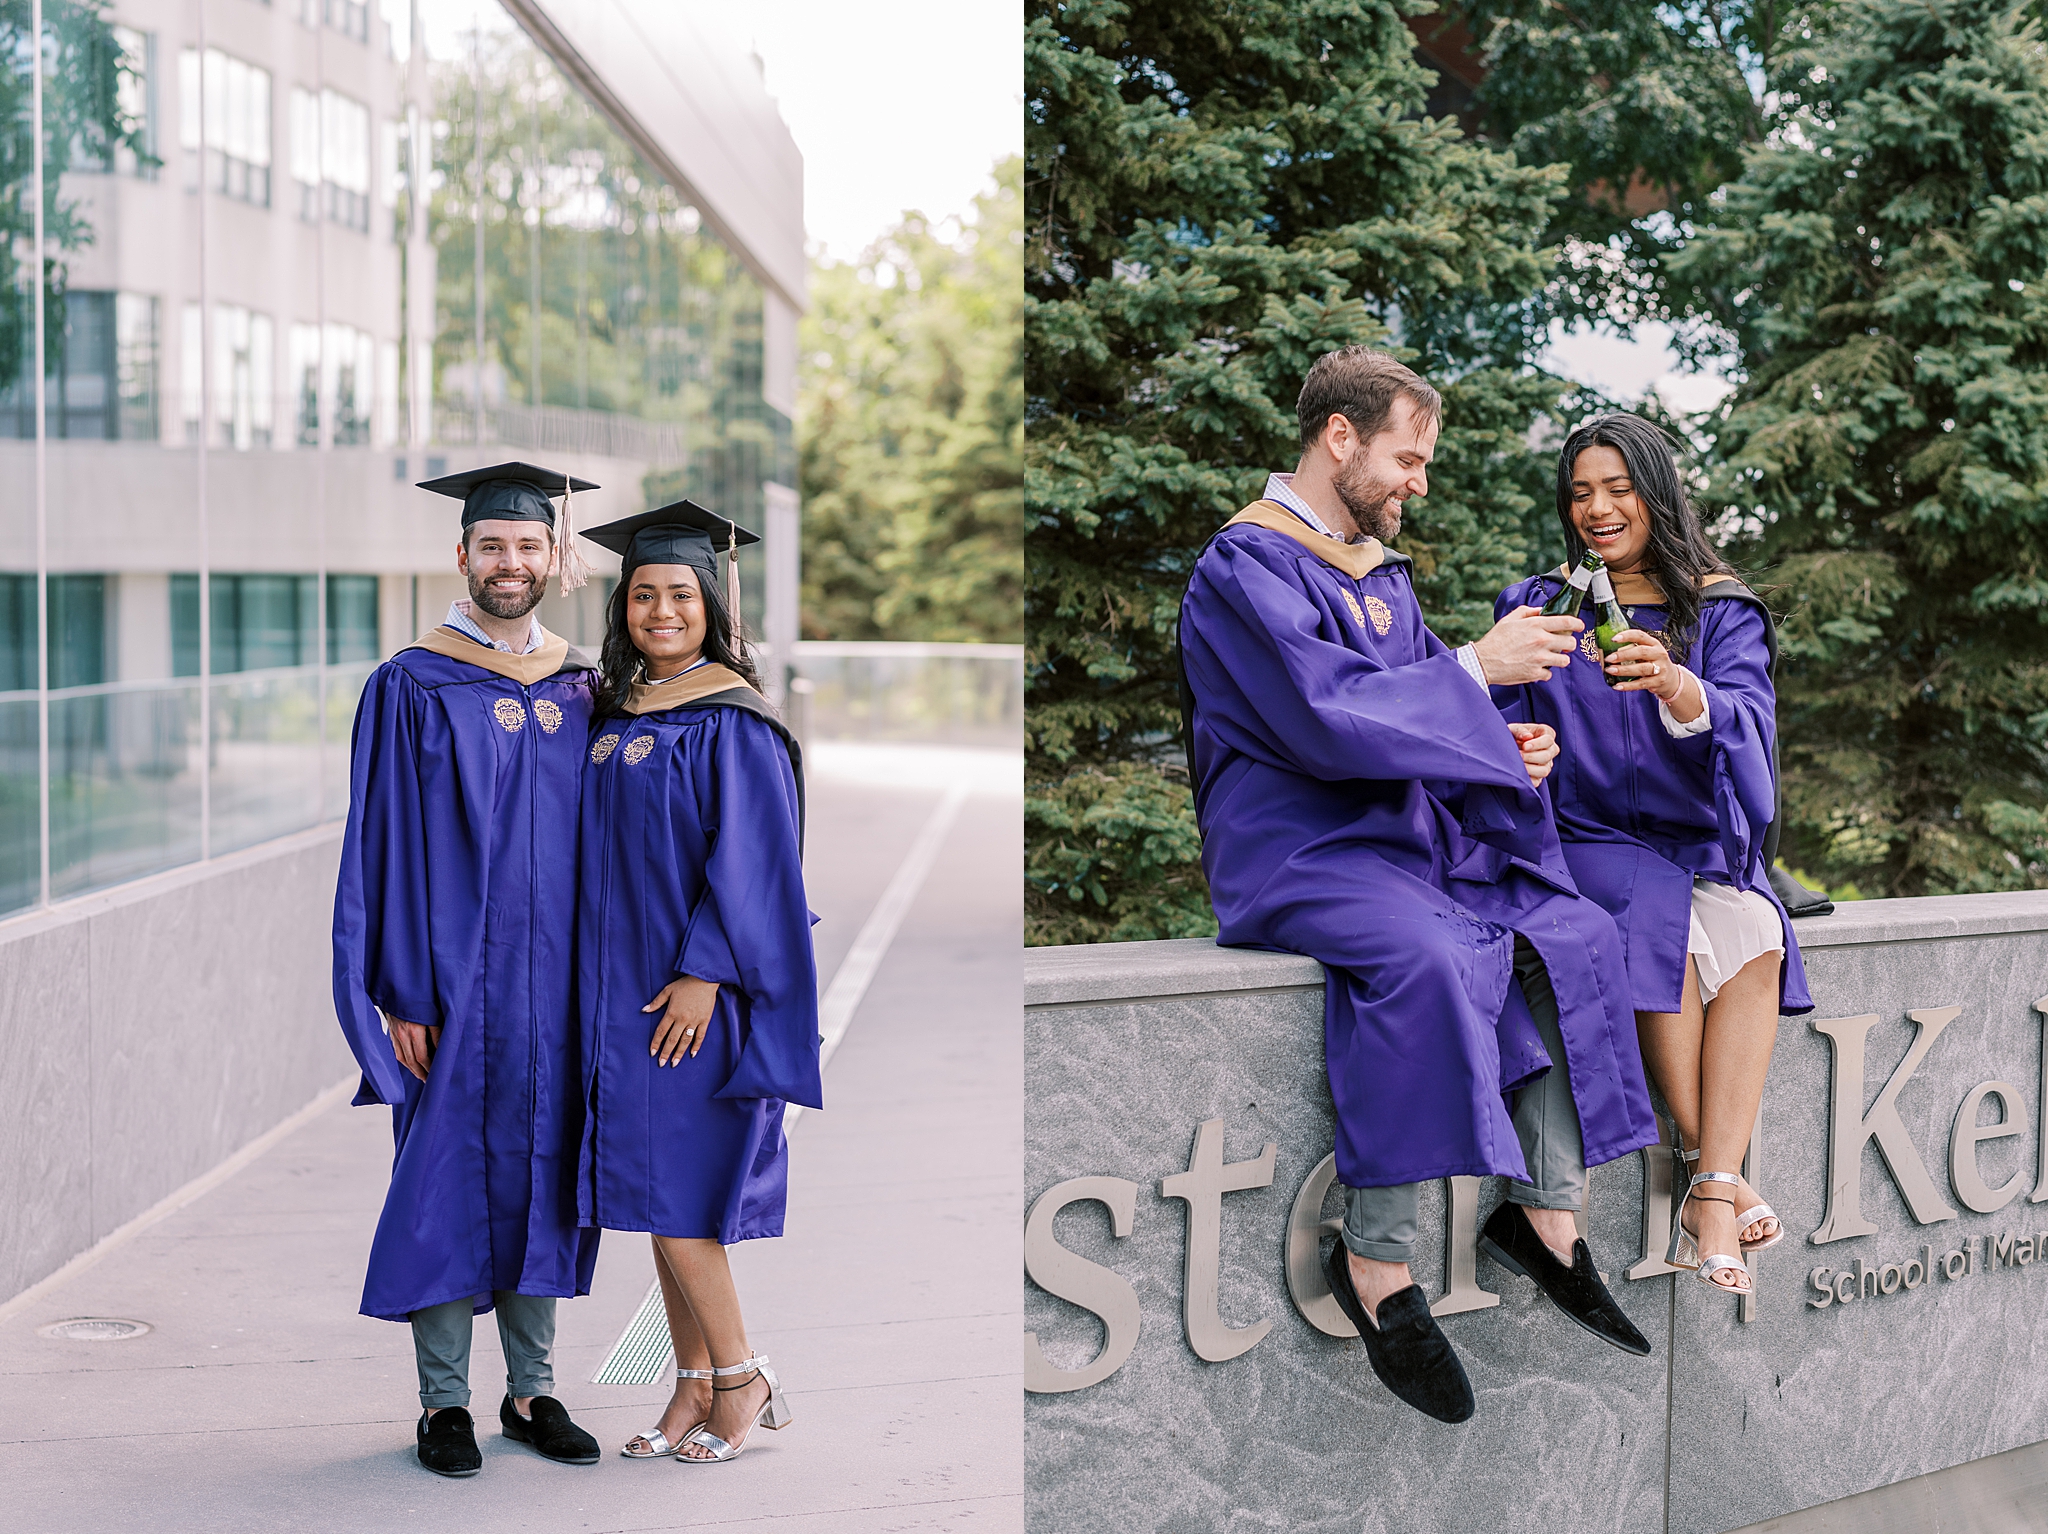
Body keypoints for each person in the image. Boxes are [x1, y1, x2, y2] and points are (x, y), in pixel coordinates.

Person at [1177, 346, 1661, 1425]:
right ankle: (1378, 1265)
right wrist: (1474, 674)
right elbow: (1326, 714)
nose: (1418, 483)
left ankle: (1542, 1216)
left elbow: (1420, 707)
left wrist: (1501, 743)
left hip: (1400, 840)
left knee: (1567, 927)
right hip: (1297, 853)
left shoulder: (1370, 567)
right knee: (1433, 952)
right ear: (1338, 439)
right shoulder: (1245, 566)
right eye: (1407, 457)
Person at [1494, 413, 1812, 1297]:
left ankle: (1707, 1178)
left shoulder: (1718, 610)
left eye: (1618, 488)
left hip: (1692, 842)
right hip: (1584, 843)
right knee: (1658, 919)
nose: (1597, 508)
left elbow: (1748, 724)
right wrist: (1519, 748)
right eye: (1581, 492)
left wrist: (1680, 683)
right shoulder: (1540, 605)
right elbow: (1494, 726)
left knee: (1754, 926)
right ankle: (1716, 1182)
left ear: (1656, 493)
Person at [331, 461, 605, 1477]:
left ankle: (531, 1388)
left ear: (552, 559)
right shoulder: (409, 682)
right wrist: (399, 985)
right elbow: (381, 845)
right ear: (462, 556)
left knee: (545, 1172)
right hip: (449, 992)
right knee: (441, 1180)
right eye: (492, 544)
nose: (509, 561)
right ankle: (442, 1403)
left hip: (556, 990)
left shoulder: (584, 686)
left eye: (528, 545)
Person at [575, 502, 821, 1464]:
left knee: (682, 1205)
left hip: (690, 997)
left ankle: (745, 1377)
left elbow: (758, 863)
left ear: (713, 605)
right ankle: (689, 1384)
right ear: (624, 607)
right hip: (617, 994)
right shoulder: (617, 710)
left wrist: (704, 973)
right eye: (644, 594)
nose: (661, 610)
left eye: (681, 593)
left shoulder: (734, 721)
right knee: (649, 1193)